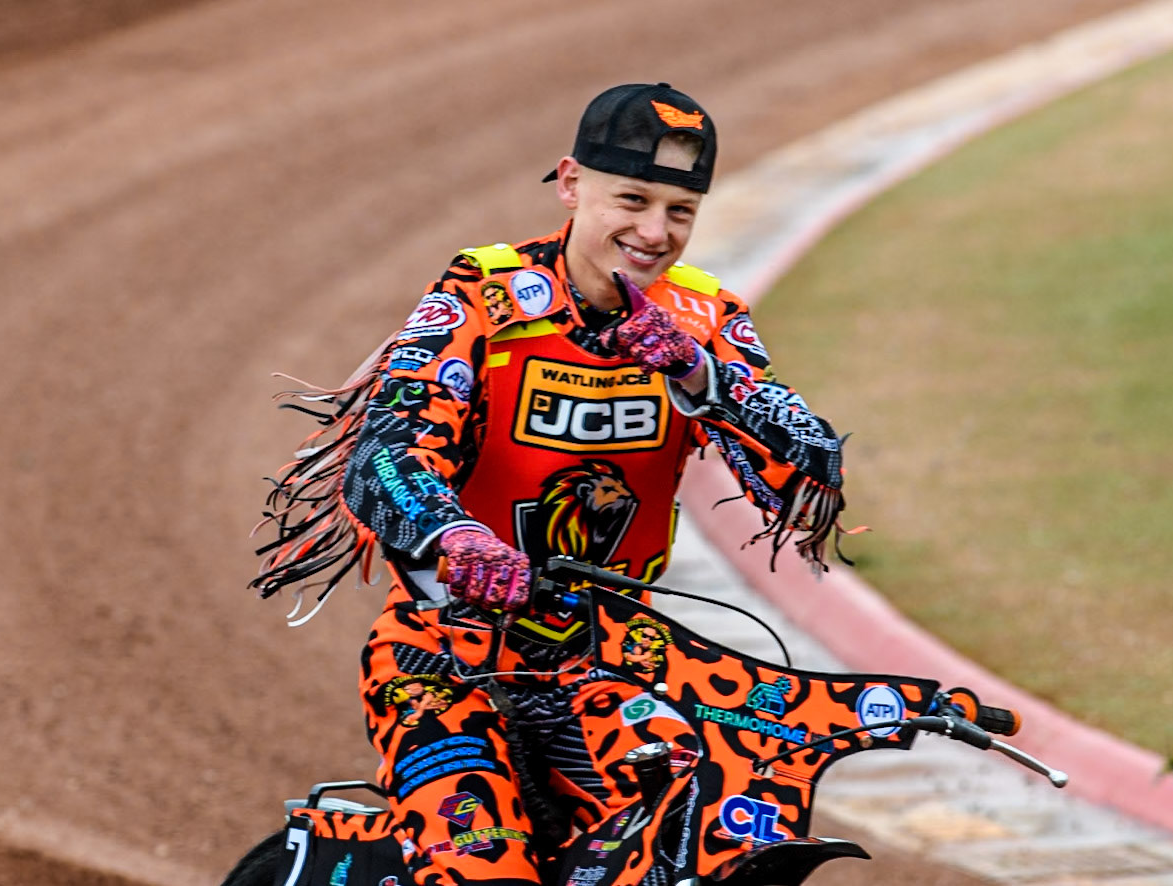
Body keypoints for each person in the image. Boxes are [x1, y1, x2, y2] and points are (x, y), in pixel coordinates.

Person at [253, 82, 850, 886]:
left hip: (618, 662)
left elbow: (808, 475)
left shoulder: (706, 319)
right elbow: (385, 452)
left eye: (680, 211)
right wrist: (456, 536)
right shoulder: (482, 293)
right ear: (571, 183)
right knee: (485, 871)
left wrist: (702, 379)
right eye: (632, 200)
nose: (655, 232)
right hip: (447, 658)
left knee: (704, 847)